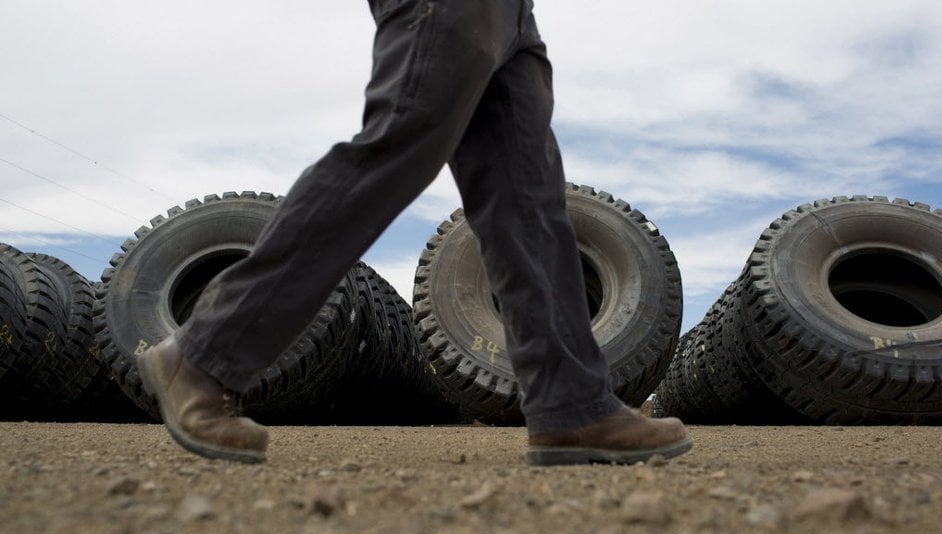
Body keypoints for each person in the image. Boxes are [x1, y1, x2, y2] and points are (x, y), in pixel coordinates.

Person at [137, 0, 692, 466]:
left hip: (515, 14)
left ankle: (573, 407)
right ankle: (205, 354)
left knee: (529, 204)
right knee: (397, 147)